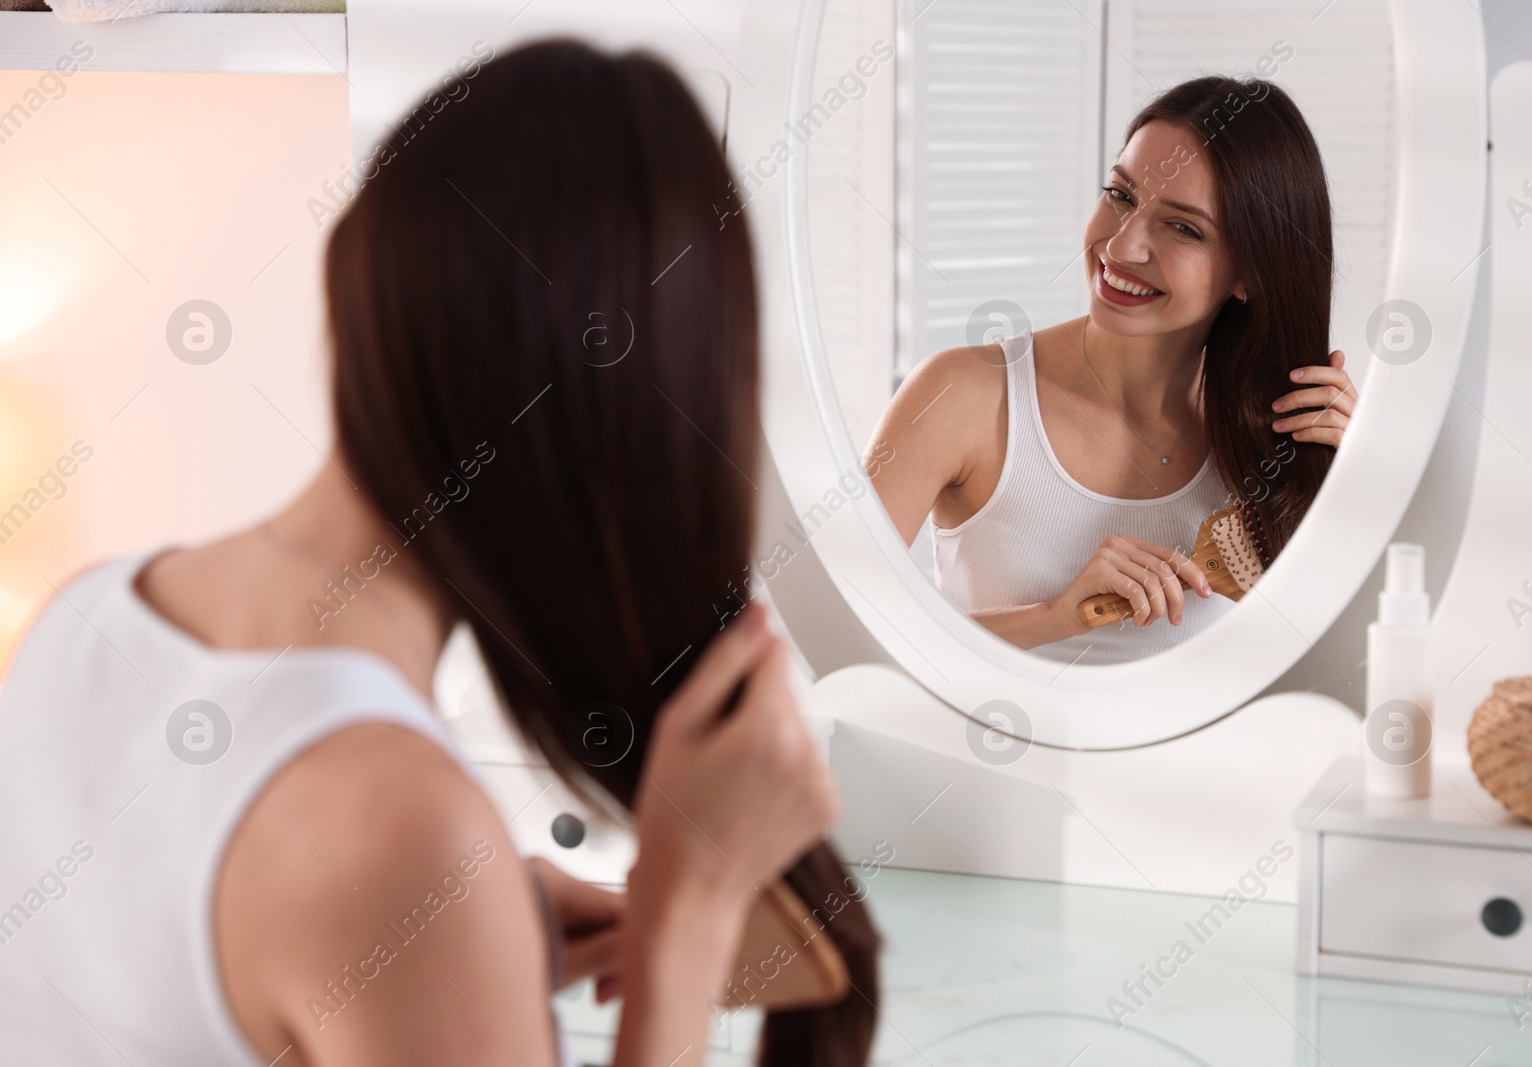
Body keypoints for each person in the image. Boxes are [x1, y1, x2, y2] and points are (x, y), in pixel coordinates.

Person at [0, 39, 877, 1067]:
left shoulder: (81, 613)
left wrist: (460, 946)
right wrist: (685, 918)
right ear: (629, 419)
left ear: (354, 280)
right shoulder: (399, 837)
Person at [867, 77, 1358, 665]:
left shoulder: (1269, 439)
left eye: (1183, 228)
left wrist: (1347, 485)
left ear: (1251, 274)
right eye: (1121, 194)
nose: (1121, 248)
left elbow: (1328, 660)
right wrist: (1055, 617)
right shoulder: (961, 395)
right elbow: (848, 624)